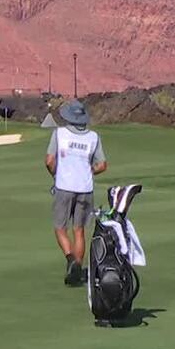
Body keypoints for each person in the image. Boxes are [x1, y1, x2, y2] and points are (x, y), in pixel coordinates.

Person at [46, 99, 107, 286]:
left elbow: (49, 161)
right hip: (85, 189)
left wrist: (55, 174)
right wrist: (89, 171)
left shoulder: (60, 134)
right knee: (79, 230)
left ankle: (71, 259)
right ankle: (78, 271)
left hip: (64, 187)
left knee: (60, 228)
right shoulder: (93, 137)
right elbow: (102, 165)